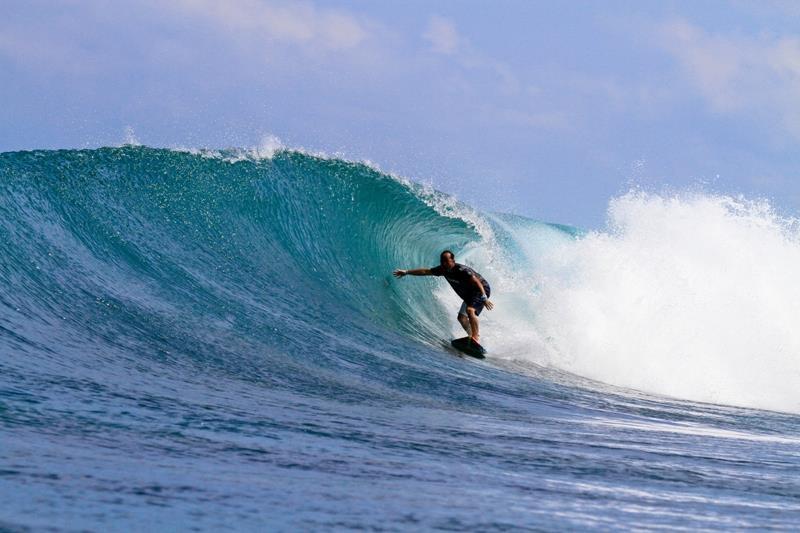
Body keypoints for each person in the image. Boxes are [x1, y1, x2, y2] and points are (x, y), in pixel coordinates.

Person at [393, 250, 493, 345]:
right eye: (442, 261)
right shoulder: (442, 269)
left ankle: (475, 338)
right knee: (461, 318)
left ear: (453, 261)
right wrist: (406, 272)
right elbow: (425, 271)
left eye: (446, 261)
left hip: (481, 289)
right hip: (469, 294)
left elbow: (477, 282)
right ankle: (472, 336)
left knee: (470, 310)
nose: (444, 263)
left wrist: (484, 298)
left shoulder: (462, 270)